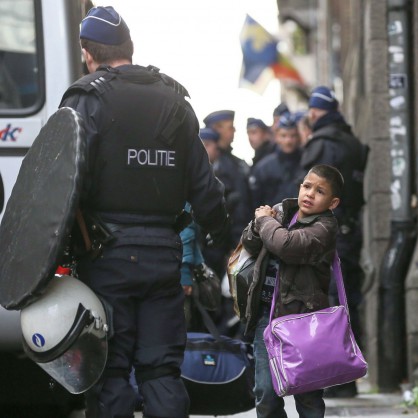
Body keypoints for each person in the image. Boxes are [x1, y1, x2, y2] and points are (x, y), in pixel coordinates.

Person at [59, 6, 228, 418]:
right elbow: (207, 191)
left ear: (87, 51)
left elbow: (62, 184)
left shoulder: (85, 98)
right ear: (129, 48)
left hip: (105, 259)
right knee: (161, 373)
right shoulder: (174, 98)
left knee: (110, 373)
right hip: (163, 259)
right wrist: (225, 244)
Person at [241, 164, 343, 418]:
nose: (309, 194)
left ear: (333, 203)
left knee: (307, 397)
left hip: (303, 322)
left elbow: (286, 245)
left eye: (320, 191)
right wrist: (257, 225)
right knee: (265, 395)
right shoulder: (284, 211)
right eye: (307, 186)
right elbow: (249, 242)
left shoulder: (324, 228)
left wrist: (265, 221)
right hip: (267, 317)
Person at [300, 86, 369, 398]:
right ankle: (347, 376)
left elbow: (313, 197)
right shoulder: (352, 142)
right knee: (346, 300)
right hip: (351, 233)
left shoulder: (322, 144)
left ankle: (337, 376)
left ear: (316, 112)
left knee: (328, 303)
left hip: (328, 236)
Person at [249, 112, 302, 209]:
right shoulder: (264, 167)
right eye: (284, 135)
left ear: (298, 137)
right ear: (277, 137)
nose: (288, 141)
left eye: (293, 136)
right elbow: (255, 202)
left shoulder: (306, 163)